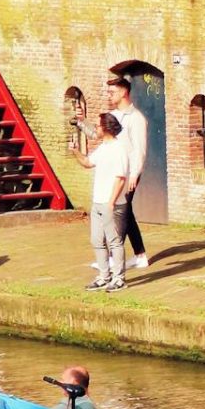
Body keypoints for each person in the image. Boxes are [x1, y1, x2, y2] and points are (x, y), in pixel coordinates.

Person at [76, 77, 149, 271]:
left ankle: (111, 256)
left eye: (112, 92)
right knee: (127, 212)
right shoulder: (113, 115)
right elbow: (97, 134)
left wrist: (135, 174)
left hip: (127, 173)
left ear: (124, 92)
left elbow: (139, 150)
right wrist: (81, 122)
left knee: (119, 212)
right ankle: (140, 256)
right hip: (114, 172)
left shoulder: (137, 119)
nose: (109, 95)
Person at [69, 111, 129, 291]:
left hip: (112, 203)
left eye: (98, 125)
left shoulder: (119, 149)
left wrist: (111, 202)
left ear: (106, 128)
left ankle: (119, 278)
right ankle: (104, 276)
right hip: (98, 201)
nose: (95, 128)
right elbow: (88, 163)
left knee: (114, 241)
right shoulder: (103, 147)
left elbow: (120, 178)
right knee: (97, 240)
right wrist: (75, 152)